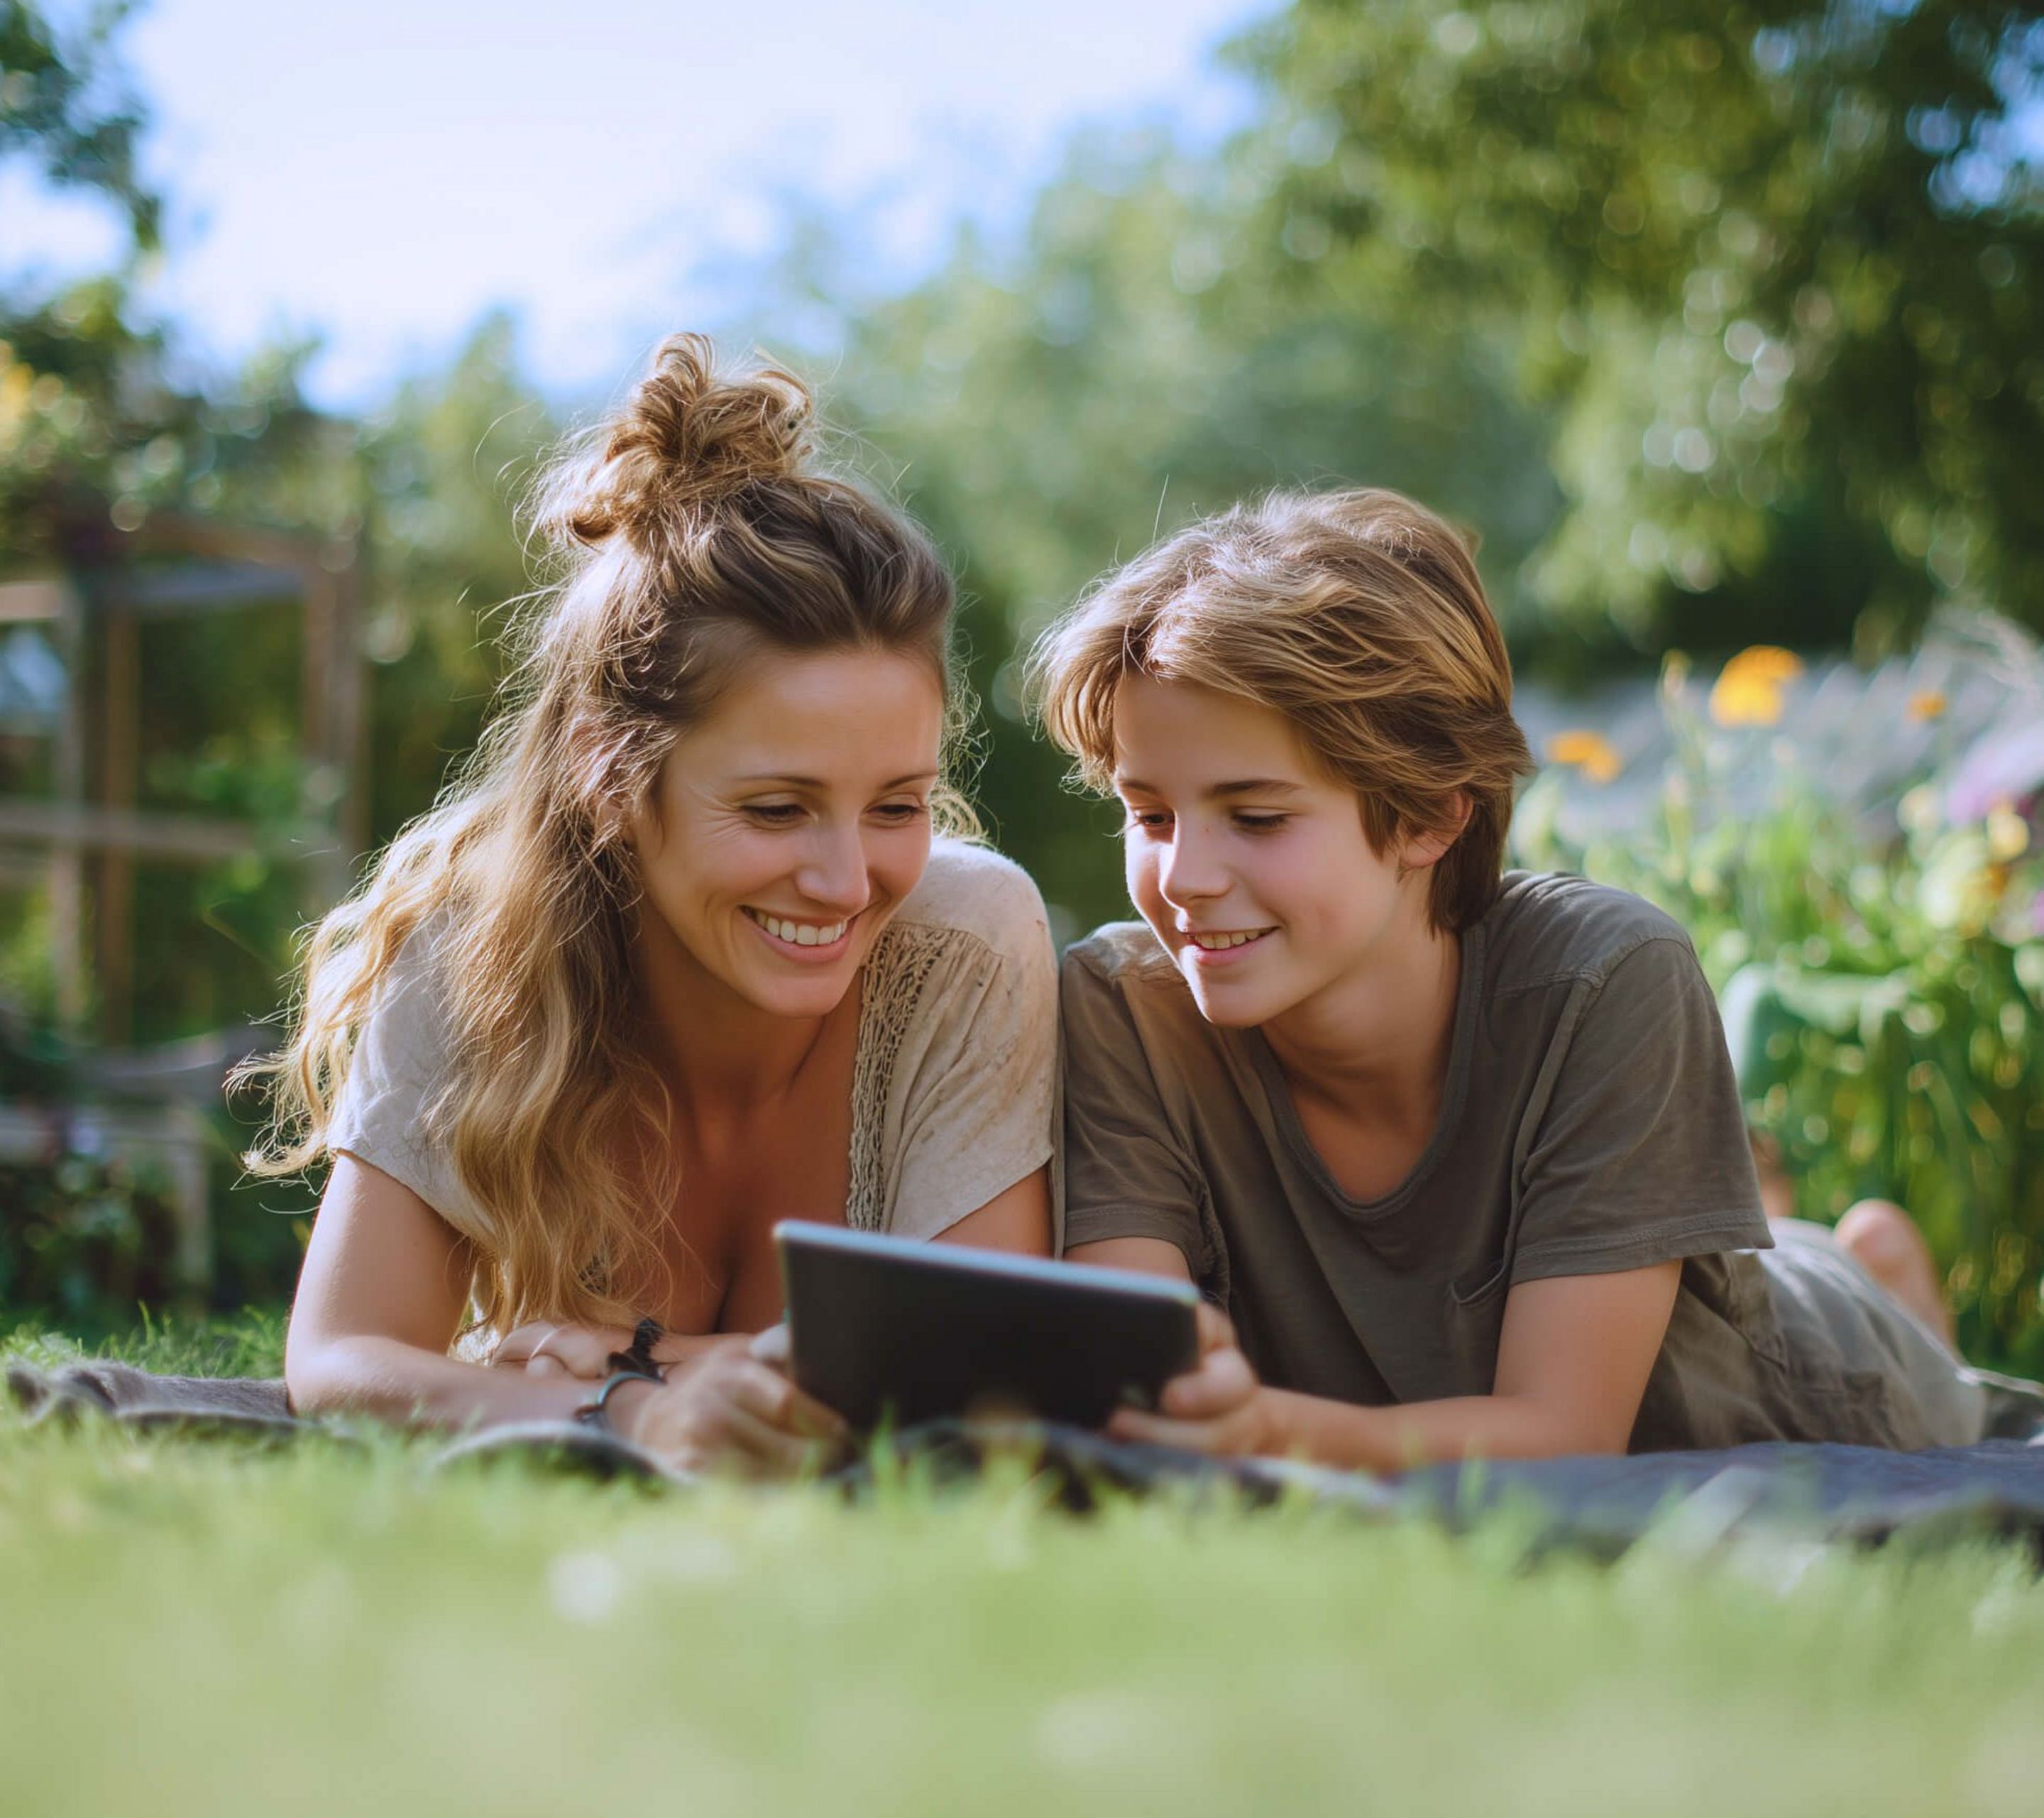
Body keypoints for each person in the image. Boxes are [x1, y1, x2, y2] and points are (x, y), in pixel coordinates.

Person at [1032, 486, 2041, 1469]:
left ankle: (1881, 1280)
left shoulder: (1603, 978)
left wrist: (1260, 1431)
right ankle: (1822, 1243)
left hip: (1820, 1377)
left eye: (1256, 817)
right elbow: (1140, 1376)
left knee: (1879, 1341)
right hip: (1495, 1371)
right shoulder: (1128, 1009)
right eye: (1151, 813)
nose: (1186, 877)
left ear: (1431, 815)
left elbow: (1563, 1438)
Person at [246, 334, 1057, 1474]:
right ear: (608, 774)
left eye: (896, 804)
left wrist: (642, 1355)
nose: (845, 879)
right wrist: (628, 1415)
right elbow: (341, 1360)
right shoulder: (480, 946)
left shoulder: (966, 941)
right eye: (777, 809)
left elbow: (985, 1380)